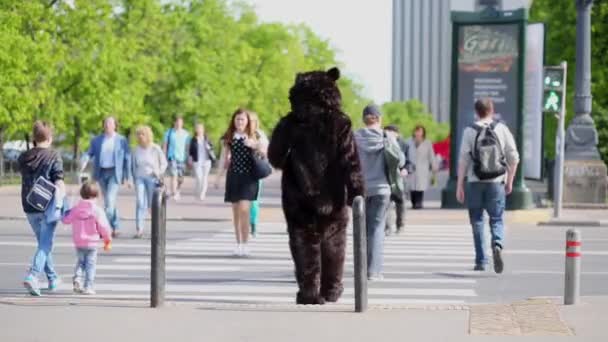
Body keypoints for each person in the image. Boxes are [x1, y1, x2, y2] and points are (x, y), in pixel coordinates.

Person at [268, 67, 364, 304]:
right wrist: (357, 192)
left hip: (296, 194)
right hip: (332, 195)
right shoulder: (340, 122)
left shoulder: (289, 123)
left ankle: (309, 291)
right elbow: (349, 161)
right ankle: (331, 288)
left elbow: (275, 157)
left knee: (303, 242)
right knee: (334, 242)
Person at [457, 98, 519, 273]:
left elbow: (463, 159)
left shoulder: (469, 130)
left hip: (475, 181)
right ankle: (497, 244)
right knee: (497, 218)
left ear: (476, 112)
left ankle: (481, 261)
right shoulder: (501, 129)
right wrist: (510, 181)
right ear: (492, 110)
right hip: (496, 181)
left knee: (477, 220)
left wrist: (459, 185)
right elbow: (514, 157)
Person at [355, 104, 404, 281]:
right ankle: (373, 271)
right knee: (376, 228)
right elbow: (401, 160)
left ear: (364, 119)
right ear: (379, 118)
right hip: (382, 188)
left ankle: (361, 267)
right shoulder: (387, 137)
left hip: (361, 190)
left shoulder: (355, 137)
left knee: (361, 229)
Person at [19, 121, 66, 296]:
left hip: (29, 204)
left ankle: (53, 278)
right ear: (50, 137)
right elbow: (58, 179)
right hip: (48, 206)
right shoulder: (54, 156)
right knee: (45, 244)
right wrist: (63, 197)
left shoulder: (23, 157)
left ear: (34, 138)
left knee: (42, 243)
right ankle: (33, 275)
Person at [216, 109, 262, 257]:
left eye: (242, 119)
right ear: (233, 121)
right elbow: (223, 159)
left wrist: (254, 145)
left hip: (249, 178)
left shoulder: (254, 136)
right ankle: (239, 244)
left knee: (244, 210)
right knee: (236, 212)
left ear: (247, 121)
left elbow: (265, 151)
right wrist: (218, 178)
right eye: (237, 119)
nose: (240, 122)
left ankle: (246, 243)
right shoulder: (229, 138)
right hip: (234, 177)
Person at [80, 116, 131, 237]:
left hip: (114, 173)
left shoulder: (121, 140)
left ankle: (104, 228)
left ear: (115, 125)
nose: (108, 125)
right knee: (109, 203)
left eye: (110, 123)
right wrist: (84, 160)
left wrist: (128, 177)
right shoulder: (96, 140)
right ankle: (116, 226)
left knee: (109, 200)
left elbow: (127, 158)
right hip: (101, 173)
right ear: (103, 125)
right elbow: (89, 153)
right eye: (106, 123)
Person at [61, 182, 112, 295]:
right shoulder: (97, 210)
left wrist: (66, 211)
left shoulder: (76, 208)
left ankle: (77, 279)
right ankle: (88, 286)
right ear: (96, 195)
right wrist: (107, 239)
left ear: (82, 194)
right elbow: (104, 226)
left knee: (81, 262)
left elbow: (65, 220)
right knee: (90, 265)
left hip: (79, 241)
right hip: (92, 242)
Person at [132, 125, 167, 238]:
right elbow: (133, 165)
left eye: (142, 134)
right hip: (139, 178)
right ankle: (139, 229)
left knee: (153, 205)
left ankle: (156, 228)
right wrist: (132, 178)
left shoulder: (155, 148)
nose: (140, 137)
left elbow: (164, 163)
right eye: (138, 135)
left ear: (147, 136)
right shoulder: (136, 150)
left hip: (152, 178)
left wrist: (159, 172)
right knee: (140, 202)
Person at [384, 125, 413, 235]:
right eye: (387, 131)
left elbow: (408, 162)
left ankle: (400, 225)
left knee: (400, 202)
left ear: (397, 133)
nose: (389, 134)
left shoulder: (404, 145)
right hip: (387, 178)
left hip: (399, 179)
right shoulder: (383, 143)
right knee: (386, 203)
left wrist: (405, 169)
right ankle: (387, 227)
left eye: (391, 131)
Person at [406, 125, 438, 209]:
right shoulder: (408, 141)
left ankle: (419, 203)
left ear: (423, 133)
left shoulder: (427, 142)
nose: (418, 133)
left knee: (420, 186)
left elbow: (431, 155)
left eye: (420, 131)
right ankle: (414, 202)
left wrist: (434, 166)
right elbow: (405, 153)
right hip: (411, 167)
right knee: (412, 187)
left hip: (422, 167)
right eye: (416, 131)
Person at [248, 112, 269, 237]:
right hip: (240, 171)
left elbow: (266, 151)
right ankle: (244, 223)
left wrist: (256, 146)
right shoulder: (241, 134)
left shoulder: (259, 135)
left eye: (252, 121)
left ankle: (253, 223)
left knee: (254, 200)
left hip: (255, 171)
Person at [163, 115, 190, 201]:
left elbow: (188, 147)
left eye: (180, 122)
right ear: (174, 123)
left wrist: (189, 157)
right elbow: (165, 145)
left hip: (182, 158)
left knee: (180, 178)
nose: (178, 124)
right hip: (172, 157)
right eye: (177, 122)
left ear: (182, 123)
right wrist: (164, 156)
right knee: (173, 175)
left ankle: (177, 189)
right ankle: (174, 192)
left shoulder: (186, 134)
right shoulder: (169, 133)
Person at [188, 123, 216, 201]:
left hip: (206, 161)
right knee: (199, 178)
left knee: (204, 178)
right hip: (197, 161)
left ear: (203, 129)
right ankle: (197, 192)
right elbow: (190, 150)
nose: (199, 130)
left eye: (200, 128)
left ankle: (202, 194)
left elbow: (212, 148)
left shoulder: (207, 138)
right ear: (196, 130)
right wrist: (190, 159)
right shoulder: (193, 139)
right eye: (197, 128)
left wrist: (209, 147)